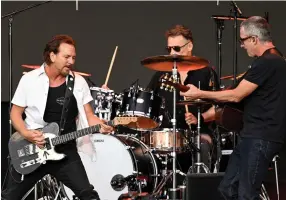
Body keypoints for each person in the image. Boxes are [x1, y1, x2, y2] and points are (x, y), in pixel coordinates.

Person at [180, 16, 286, 200]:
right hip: (251, 136)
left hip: (261, 137)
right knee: (228, 189)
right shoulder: (272, 61)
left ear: (254, 39)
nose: (242, 45)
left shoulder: (268, 62)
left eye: (242, 40)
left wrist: (199, 93)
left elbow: (236, 95)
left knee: (246, 195)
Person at [1, 35, 113, 200]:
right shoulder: (29, 80)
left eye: (73, 57)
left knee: (88, 195)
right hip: (33, 149)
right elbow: (15, 113)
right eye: (66, 57)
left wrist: (103, 124)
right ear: (52, 56)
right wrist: (26, 133)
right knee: (9, 197)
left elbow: (89, 116)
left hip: (66, 151)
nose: (71, 61)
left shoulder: (79, 82)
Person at [146, 24, 220, 171]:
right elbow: (147, 102)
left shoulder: (206, 73)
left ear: (190, 46)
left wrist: (201, 118)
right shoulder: (161, 74)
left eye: (177, 48)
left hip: (197, 133)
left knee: (202, 146)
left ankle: (200, 190)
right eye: (169, 49)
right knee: (141, 153)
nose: (172, 53)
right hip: (166, 137)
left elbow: (218, 107)